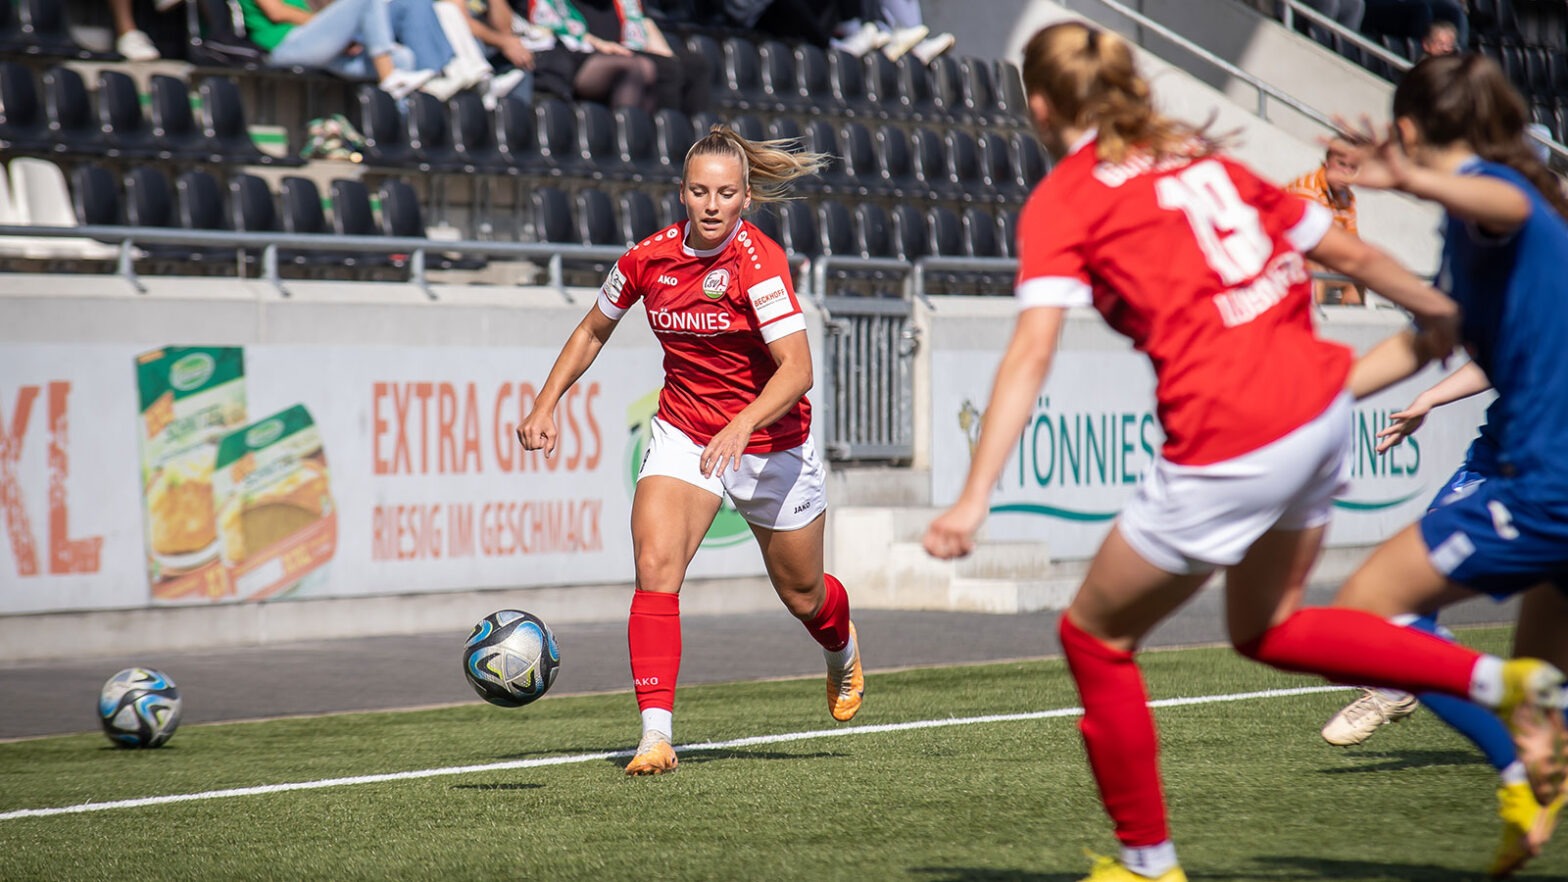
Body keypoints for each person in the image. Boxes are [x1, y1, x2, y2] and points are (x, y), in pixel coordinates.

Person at [921, 23, 1563, 881]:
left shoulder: (1065, 199)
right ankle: (1502, 691)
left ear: (1039, 105)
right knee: (1268, 628)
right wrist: (1434, 309)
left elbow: (1031, 352)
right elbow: (1346, 250)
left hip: (1232, 432)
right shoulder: (1201, 160)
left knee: (1095, 637)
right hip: (1319, 411)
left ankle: (1149, 864)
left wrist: (974, 498)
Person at [516, 127, 862, 777]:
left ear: (746, 198)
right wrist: (545, 402)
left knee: (803, 594)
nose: (711, 204)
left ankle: (841, 651)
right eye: (700, 191)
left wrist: (743, 425)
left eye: (725, 193)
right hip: (685, 432)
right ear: (682, 193)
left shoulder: (759, 263)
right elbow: (593, 330)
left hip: (771, 441)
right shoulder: (646, 259)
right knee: (655, 565)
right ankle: (655, 736)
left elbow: (797, 370)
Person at [1321, 357, 1562, 878]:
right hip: (1497, 461)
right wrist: (1429, 397)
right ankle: (1401, 688)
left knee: (1373, 606)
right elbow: (1507, 350)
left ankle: (1525, 757)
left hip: (1542, 475)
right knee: (1387, 605)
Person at [238, 0, 459, 98]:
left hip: (314, 46)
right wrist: (334, 31)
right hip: (283, 47)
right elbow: (277, 12)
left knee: (404, 58)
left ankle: (405, 132)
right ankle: (389, 79)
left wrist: (341, 35)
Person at [528, 0, 708, 115]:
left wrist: (668, 55)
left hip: (623, 48)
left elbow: (644, 22)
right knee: (658, 68)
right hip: (576, 53)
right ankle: (659, 142)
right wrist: (598, 43)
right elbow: (556, 27)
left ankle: (700, 146)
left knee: (695, 65)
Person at [1285, 144, 1365, 305]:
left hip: (1317, 254)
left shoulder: (1347, 197)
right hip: (1285, 254)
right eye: (1341, 164)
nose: (1346, 172)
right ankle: (1315, 316)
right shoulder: (1307, 189)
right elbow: (1305, 241)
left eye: (1352, 168)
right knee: (1315, 267)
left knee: (1361, 272)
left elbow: (1352, 240)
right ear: (1327, 162)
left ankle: (1351, 317)